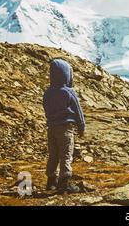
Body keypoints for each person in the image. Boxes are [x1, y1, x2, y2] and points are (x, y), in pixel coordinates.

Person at [42, 59, 85, 194]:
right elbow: (78, 111)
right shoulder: (69, 91)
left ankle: (51, 181)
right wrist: (81, 127)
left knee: (53, 154)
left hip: (52, 128)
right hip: (66, 128)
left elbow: (46, 108)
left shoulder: (48, 92)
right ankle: (64, 182)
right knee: (66, 154)